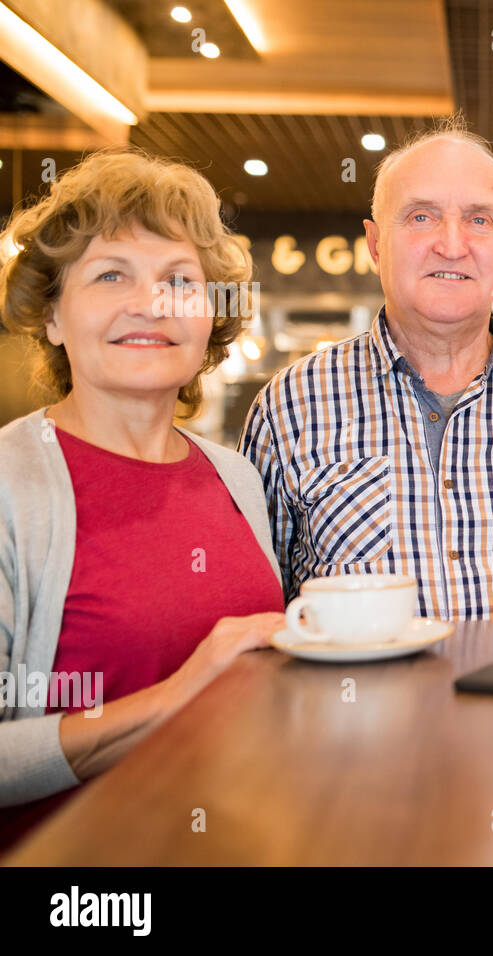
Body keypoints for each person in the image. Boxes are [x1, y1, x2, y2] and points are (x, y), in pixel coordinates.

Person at [0, 150, 284, 838]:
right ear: (52, 317)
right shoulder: (12, 484)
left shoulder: (236, 477)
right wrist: (180, 696)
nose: (150, 303)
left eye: (179, 280)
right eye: (110, 274)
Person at [240, 117, 493, 618]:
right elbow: (260, 613)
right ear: (374, 245)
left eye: (480, 220)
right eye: (421, 217)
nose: (452, 244)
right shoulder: (288, 408)